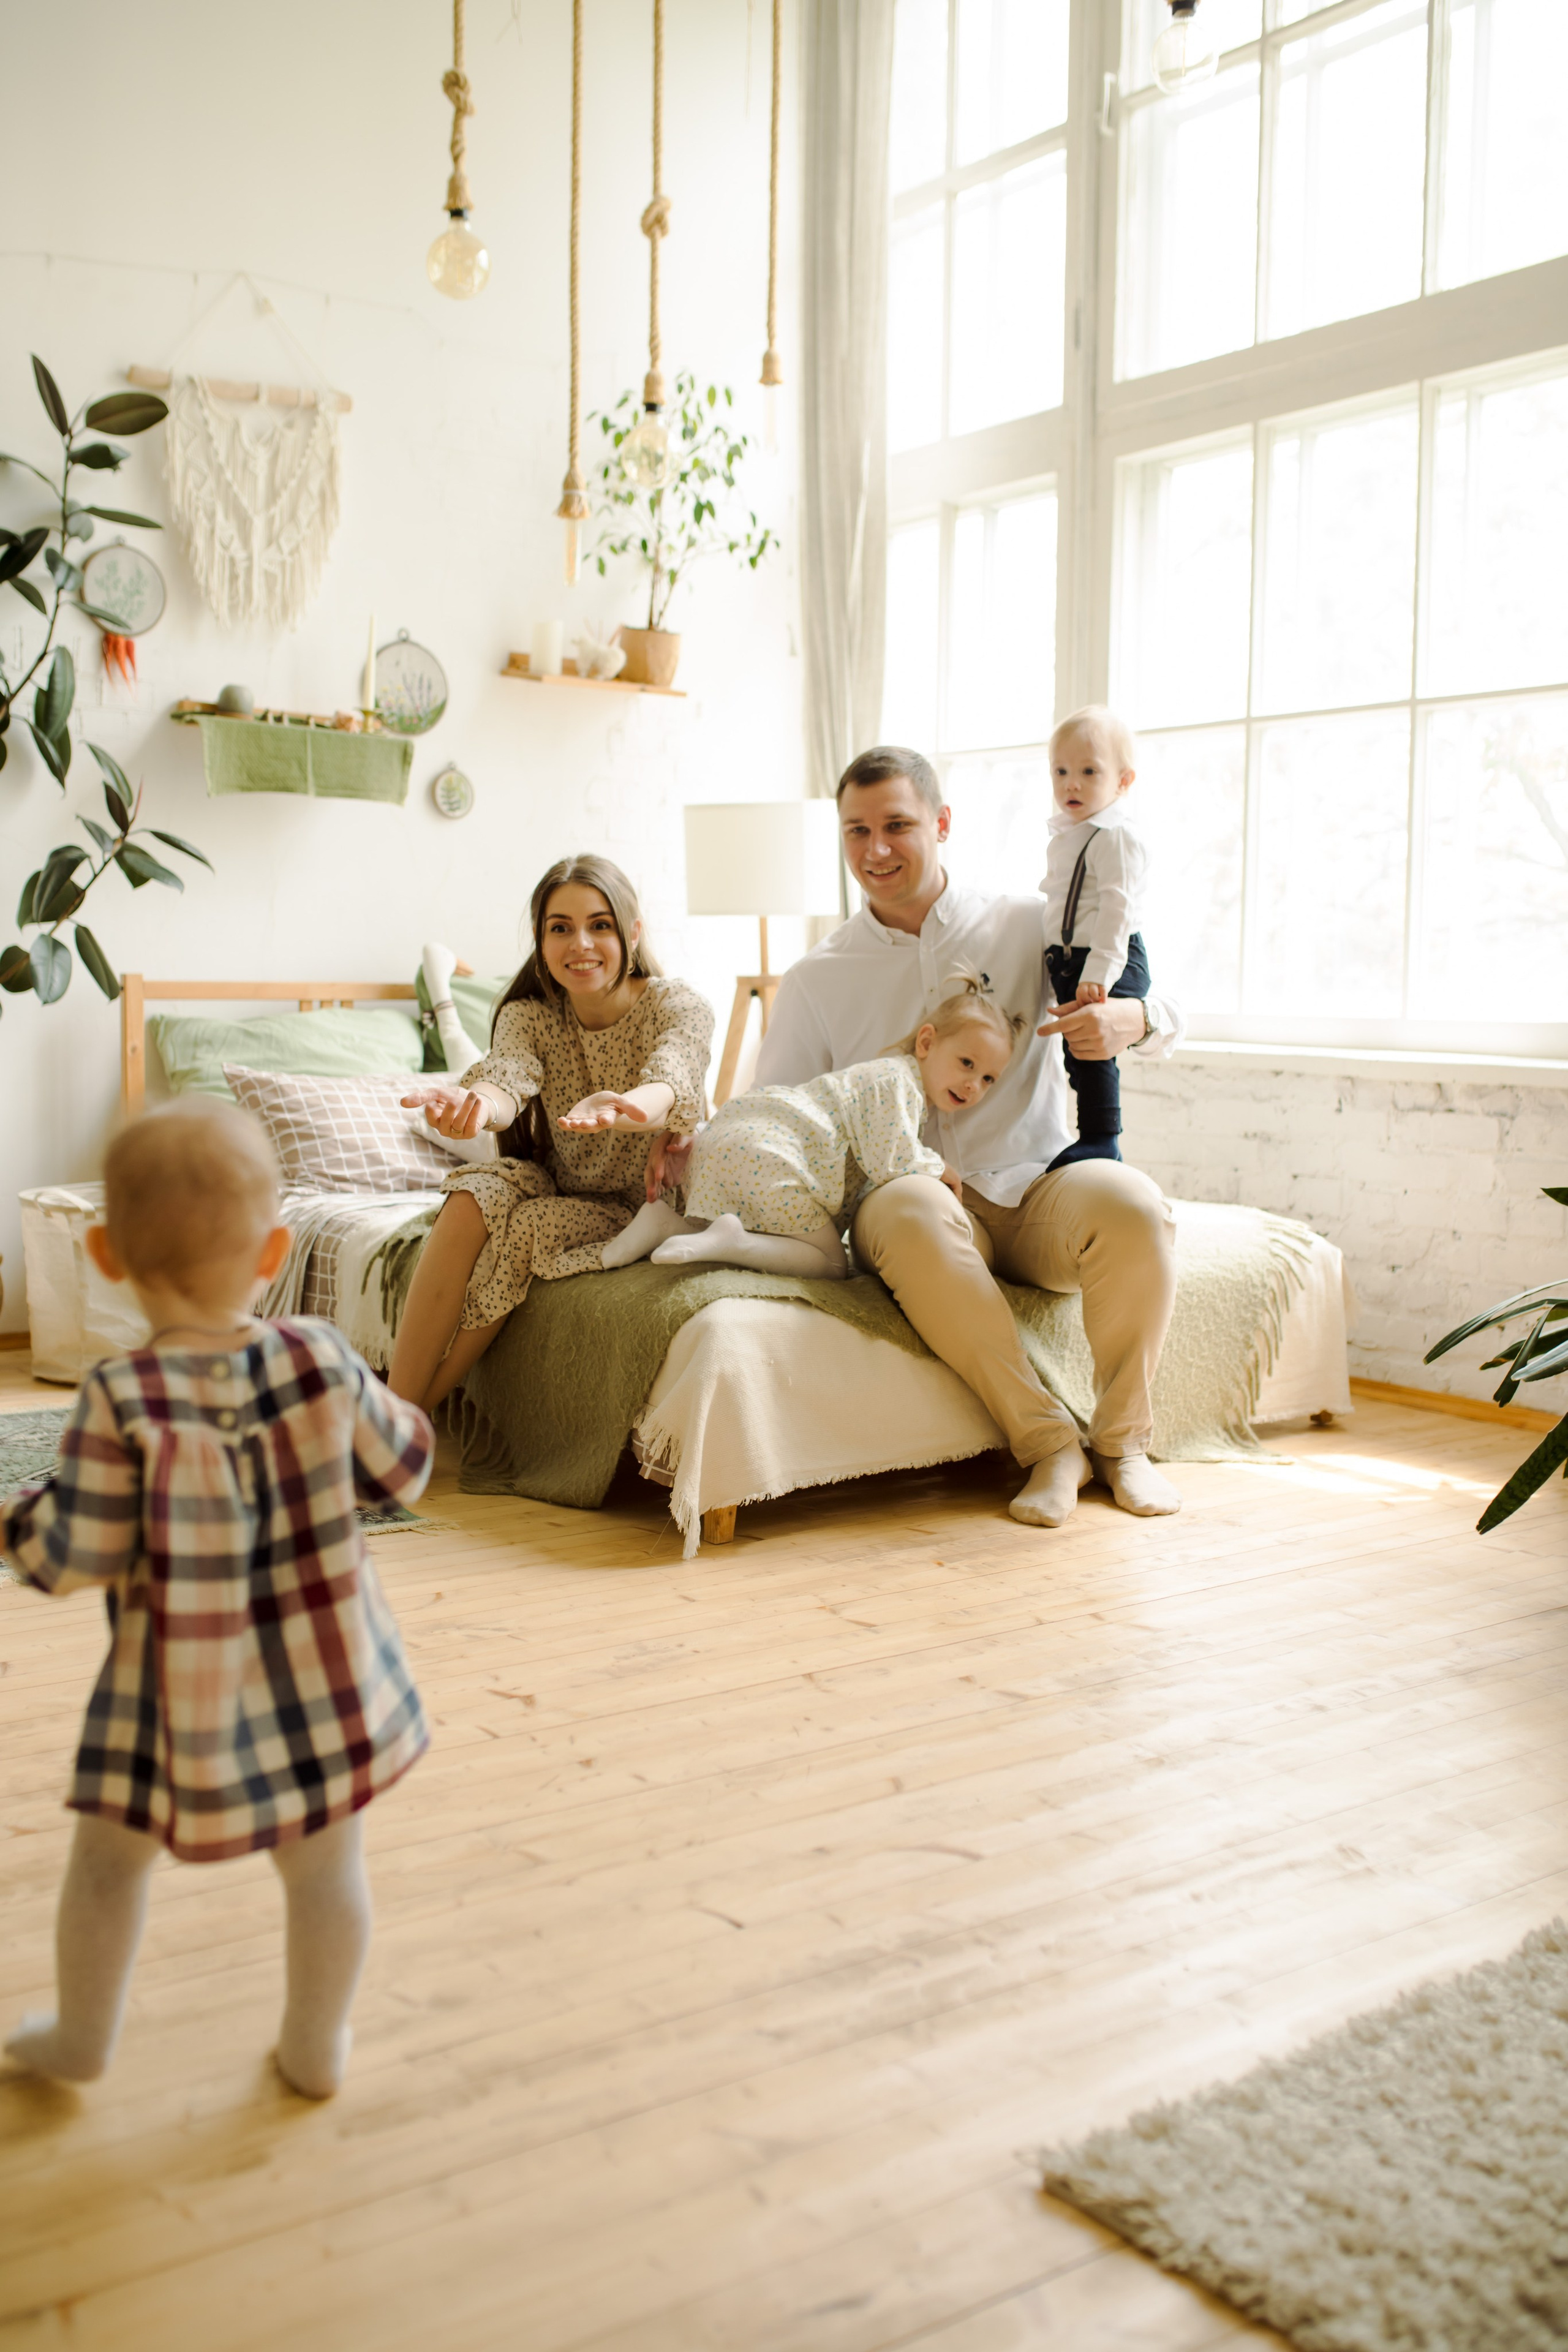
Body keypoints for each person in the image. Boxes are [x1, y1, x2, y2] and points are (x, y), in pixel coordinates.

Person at [2, 1099, 432, 2098]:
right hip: (327, 1683)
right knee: (327, 1876)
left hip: (172, 1698)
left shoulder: (121, 1399)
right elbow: (404, 1469)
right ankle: (316, 2047)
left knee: (107, 1867)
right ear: (275, 1248)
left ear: (105, 1254)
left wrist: (14, 1521)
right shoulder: (321, 1356)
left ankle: (81, 2037)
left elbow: (74, 1550)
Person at [692, 744, 1185, 1529]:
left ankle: (1123, 1446)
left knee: (1136, 1204)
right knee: (914, 1205)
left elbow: (1152, 1001)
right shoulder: (819, 976)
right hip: (905, 1202)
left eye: (896, 825)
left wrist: (1135, 1019)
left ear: (942, 823)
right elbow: (773, 1108)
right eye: (856, 831)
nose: (875, 850)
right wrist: (692, 1144)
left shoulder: (1029, 924)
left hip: (1032, 1185)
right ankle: (1048, 1443)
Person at [389, 855, 714, 1414]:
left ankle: (402, 1422)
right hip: (563, 1180)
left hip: (645, 1202)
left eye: (600, 925)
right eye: (560, 928)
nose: (580, 943)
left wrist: (628, 1107)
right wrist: (475, 1107)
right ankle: (393, 1410)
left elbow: (673, 1076)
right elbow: (507, 1078)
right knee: (469, 1195)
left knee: (529, 1225)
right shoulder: (529, 1014)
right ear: (541, 943)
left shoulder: (677, 1005)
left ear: (633, 933)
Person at [609, 975, 1026, 1280]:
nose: (974, 1085)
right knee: (828, 1263)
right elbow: (891, 1162)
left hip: (739, 1142)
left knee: (771, 1220)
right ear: (927, 1043)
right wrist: (938, 1169)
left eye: (989, 1078)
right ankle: (732, 1242)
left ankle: (664, 1222)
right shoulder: (897, 1084)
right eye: (967, 1064)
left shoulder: (884, 1081)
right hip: (771, 1155)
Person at [1040, 705, 1152, 1167]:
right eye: (1062, 771)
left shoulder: (1115, 835)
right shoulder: (1074, 833)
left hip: (1107, 958)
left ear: (1123, 781)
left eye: (1089, 771)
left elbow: (1118, 912)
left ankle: (1103, 1140)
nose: (1072, 783)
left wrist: (1100, 974)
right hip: (1075, 958)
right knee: (1077, 1052)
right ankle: (1091, 1135)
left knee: (1093, 1051)